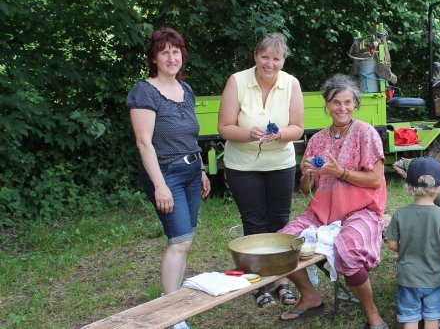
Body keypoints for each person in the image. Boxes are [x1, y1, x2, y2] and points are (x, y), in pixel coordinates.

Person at [277, 74, 389, 329]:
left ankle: (372, 314)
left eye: (348, 102)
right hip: (321, 213)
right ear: (326, 104)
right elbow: (306, 190)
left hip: (361, 211)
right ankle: (310, 297)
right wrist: (307, 174)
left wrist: (340, 173)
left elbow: (374, 180)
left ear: (355, 105)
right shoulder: (317, 139)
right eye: (336, 102)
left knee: (348, 249)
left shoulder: (365, 133)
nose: (342, 108)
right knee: (282, 245)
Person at [127, 26, 211, 329]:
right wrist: (160, 185)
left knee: (185, 239)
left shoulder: (185, 90)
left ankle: (172, 299)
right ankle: (170, 312)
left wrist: (200, 169)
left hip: (190, 171)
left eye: (175, 51)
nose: (171, 57)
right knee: (179, 241)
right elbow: (143, 142)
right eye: (164, 52)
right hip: (166, 173)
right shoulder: (144, 92)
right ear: (154, 57)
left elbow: (190, 137)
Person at [217, 32, 304, 308]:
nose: (270, 63)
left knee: (280, 223)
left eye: (276, 58)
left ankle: (281, 281)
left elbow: (298, 128)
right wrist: (248, 134)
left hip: (280, 163)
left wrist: (279, 135)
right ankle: (259, 284)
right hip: (243, 165)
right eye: (264, 57)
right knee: (254, 224)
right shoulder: (237, 81)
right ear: (255, 56)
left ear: (283, 59)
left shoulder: (292, 83)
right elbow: (224, 128)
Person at [385, 157, 440, 329]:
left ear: (409, 185)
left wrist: (407, 249)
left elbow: (391, 244)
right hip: (434, 278)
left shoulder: (400, 213)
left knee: (410, 318)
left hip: (407, 277)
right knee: (432, 319)